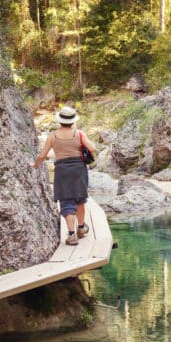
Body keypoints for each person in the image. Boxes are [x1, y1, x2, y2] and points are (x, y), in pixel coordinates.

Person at [30, 105, 97, 245]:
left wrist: (35, 165)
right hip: (79, 169)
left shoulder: (52, 136)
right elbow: (92, 148)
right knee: (80, 198)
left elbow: (43, 155)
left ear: (59, 121)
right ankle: (81, 228)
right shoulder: (79, 134)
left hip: (62, 170)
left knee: (66, 201)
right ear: (73, 121)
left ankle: (71, 235)